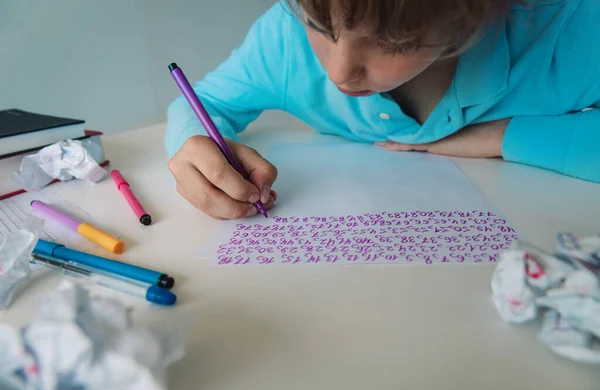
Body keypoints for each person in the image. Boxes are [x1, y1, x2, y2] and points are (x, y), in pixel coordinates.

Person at [165, 0, 600, 220]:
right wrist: (193, 141)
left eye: (394, 43)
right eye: (321, 27)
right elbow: (203, 103)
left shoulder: (573, 30)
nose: (339, 73)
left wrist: (503, 136)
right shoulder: (284, 37)